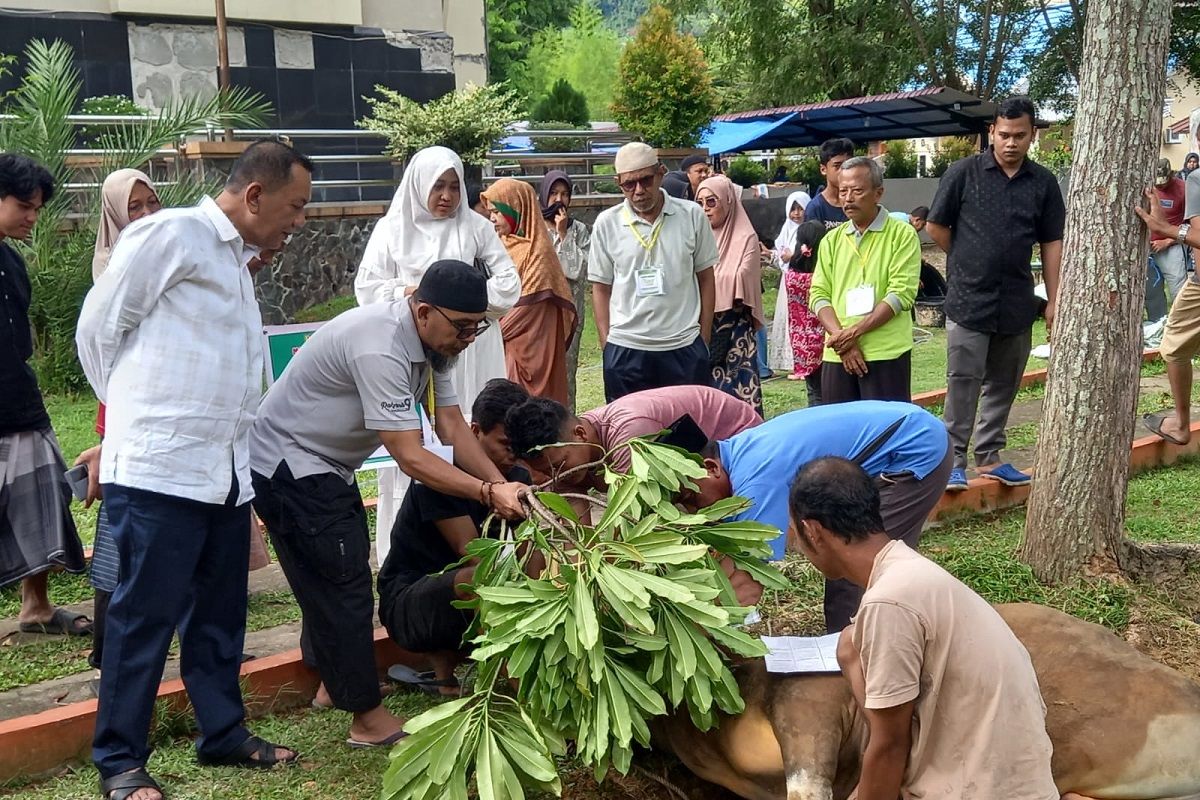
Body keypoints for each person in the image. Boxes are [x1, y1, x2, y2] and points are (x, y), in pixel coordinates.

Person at [75, 140, 312, 800]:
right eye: (294, 207)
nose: (298, 221)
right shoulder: (170, 234)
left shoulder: (237, 260)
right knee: (140, 618)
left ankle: (223, 732)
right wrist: (130, 421)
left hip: (225, 472)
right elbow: (99, 330)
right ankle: (120, 760)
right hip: (158, 471)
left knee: (218, 615)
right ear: (256, 195)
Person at [249, 260, 528, 750]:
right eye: (462, 327)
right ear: (423, 312)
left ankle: (330, 690)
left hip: (327, 464)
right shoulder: (380, 344)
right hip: (291, 464)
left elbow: (451, 426)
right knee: (344, 584)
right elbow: (410, 455)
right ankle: (366, 718)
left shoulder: (437, 343)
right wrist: (487, 493)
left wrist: (503, 483)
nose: (469, 337)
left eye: (477, 327)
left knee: (333, 570)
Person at [788, 456, 1058, 800]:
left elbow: (889, 745)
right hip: (1014, 783)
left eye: (796, 536)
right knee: (849, 645)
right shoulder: (910, 571)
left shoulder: (889, 602)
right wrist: (852, 660)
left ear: (814, 531)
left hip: (982, 791)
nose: (798, 547)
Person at [353, 146, 521, 542]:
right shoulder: (391, 229)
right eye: (437, 187)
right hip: (411, 344)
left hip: (471, 344)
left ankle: (480, 528)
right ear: (417, 186)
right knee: (412, 437)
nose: (446, 196)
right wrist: (412, 294)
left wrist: (468, 308)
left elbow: (508, 284)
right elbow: (367, 288)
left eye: (453, 187)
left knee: (467, 427)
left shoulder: (476, 228)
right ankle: (406, 537)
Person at [675, 400, 951, 633]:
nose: (696, 511)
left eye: (691, 498)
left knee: (858, 560)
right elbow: (728, 560)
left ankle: (856, 652)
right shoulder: (737, 456)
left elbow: (748, 578)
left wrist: (705, 634)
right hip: (896, 437)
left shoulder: (757, 479)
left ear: (710, 468)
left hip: (914, 449)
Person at [926, 96, 1066, 491]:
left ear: (1032, 135)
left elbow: (1052, 241)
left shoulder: (1042, 182)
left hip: (1018, 300)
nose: (1010, 143)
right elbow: (937, 226)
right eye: (1004, 134)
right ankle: (952, 460)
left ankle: (990, 456)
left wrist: (1054, 298)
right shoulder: (963, 173)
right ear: (991, 132)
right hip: (969, 299)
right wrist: (968, 257)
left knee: (1005, 381)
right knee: (963, 380)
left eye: (1020, 135)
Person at [376, 378, 532, 697]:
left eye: (519, 446)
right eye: (505, 444)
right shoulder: (439, 476)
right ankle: (517, 687)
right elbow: (475, 554)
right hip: (407, 606)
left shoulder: (516, 476)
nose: (514, 455)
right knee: (484, 577)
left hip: (454, 599)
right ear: (475, 432)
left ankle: (449, 677)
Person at [0, 153, 88, 638]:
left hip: (21, 402)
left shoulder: (11, 259)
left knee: (41, 502)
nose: (33, 217)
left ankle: (35, 606)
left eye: (36, 208)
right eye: (24, 206)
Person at [85, 168, 162, 671]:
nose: (147, 215)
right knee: (118, 532)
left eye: (152, 202)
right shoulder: (112, 272)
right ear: (115, 215)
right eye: (134, 208)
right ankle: (106, 651)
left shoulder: (173, 258)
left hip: (171, 412)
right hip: (125, 409)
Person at [589, 142, 717, 401]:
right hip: (626, 348)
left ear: (660, 173)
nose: (638, 191)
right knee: (631, 436)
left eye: (646, 180)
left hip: (683, 345)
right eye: (629, 184)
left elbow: (706, 278)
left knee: (688, 434)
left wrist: (702, 338)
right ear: (618, 183)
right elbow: (601, 288)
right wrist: (608, 346)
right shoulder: (607, 223)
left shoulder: (691, 215)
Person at [506, 385, 762, 494]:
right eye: (547, 471)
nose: (556, 475)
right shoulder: (570, 449)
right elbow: (576, 513)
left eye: (560, 465)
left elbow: (632, 516)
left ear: (581, 434)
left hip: (744, 447)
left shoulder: (627, 433)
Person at [809, 156, 920, 404]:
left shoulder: (901, 234)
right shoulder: (832, 240)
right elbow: (818, 294)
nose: (848, 198)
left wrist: (854, 333)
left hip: (885, 352)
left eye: (857, 191)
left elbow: (900, 293)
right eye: (842, 191)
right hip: (838, 354)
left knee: (886, 433)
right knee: (841, 433)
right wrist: (844, 341)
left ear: (878, 193)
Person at [482, 178, 576, 404]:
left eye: (497, 211)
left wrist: (488, 333)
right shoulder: (498, 244)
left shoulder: (538, 251)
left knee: (530, 409)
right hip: (503, 347)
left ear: (516, 208)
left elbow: (529, 307)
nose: (492, 218)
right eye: (491, 212)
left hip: (531, 345)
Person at [1138, 182, 1200, 445]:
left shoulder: (1196, 179)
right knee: (1175, 348)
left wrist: (1167, 230)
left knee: (1174, 348)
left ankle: (1181, 425)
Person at [696, 174, 764, 415]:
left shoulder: (746, 237)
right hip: (702, 327)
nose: (705, 209)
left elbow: (743, 277)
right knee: (706, 398)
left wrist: (706, 280)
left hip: (736, 330)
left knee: (739, 393)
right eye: (700, 203)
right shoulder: (696, 238)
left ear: (727, 201)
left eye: (711, 202)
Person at [540, 170, 591, 410]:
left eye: (564, 194)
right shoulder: (534, 228)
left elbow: (578, 270)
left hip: (570, 313)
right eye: (553, 193)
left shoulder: (579, 229)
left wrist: (563, 236)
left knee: (567, 372)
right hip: (540, 316)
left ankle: (566, 423)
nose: (559, 200)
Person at [768, 191, 812, 378]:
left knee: (801, 323)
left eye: (800, 208)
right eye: (792, 209)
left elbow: (809, 252)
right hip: (788, 282)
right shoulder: (786, 229)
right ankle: (792, 362)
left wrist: (791, 256)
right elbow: (780, 252)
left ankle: (804, 362)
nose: (796, 213)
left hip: (803, 282)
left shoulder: (809, 230)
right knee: (788, 322)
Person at [784, 220, 829, 403]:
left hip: (802, 343)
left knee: (814, 392)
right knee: (831, 392)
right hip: (825, 340)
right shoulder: (822, 277)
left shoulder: (792, 276)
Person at [1147, 157, 1189, 320]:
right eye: (1157, 183)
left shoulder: (1183, 189)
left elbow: (1190, 226)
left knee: (1178, 290)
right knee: (1152, 293)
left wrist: (1167, 241)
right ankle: (1158, 324)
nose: (1160, 186)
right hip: (1149, 248)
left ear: (1171, 175)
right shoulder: (1148, 186)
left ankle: (1182, 323)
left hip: (1172, 247)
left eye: (1163, 182)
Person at [805, 138, 855, 229]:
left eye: (848, 165)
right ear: (823, 169)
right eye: (837, 166)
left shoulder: (859, 203)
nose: (843, 171)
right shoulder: (816, 208)